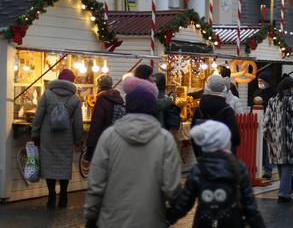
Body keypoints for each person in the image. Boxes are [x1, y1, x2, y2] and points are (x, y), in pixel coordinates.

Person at [84, 86, 182, 228]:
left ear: (127, 107)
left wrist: (91, 216)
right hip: (151, 220)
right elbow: (172, 188)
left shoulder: (109, 136)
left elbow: (96, 183)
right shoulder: (165, 139)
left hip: (112, 220)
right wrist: (170, 215)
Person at [166, 120, 266, 228]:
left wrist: (167, 219)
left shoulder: (198, 170)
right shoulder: (238, 167)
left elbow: (183, 204)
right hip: (232, 222)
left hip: (204, 222)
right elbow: (250, 206)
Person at [31, 69, 83, 208]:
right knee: (64, 165)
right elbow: (78, 123)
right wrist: (78, 140)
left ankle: (52, 195)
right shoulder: (75, 98)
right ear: (72, 81)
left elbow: (38, 116)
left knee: (49, 165)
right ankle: (64, 195)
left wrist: (35, 134)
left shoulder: (47, 94)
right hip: (66, 137)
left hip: (48, 135)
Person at [263, 77, 293, 203]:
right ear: (292, 87)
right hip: (290, 136)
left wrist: (267, 134)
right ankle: (284, 193)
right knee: (288, 164)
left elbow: (266, 120)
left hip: (275, 136)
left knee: (281, 163)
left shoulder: (272, 100)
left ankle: (286, 189)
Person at [191, 74, 241, 156]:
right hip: (225, 160)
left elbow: (194, 137)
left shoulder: (199, 110)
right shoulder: (228, 111)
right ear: (224, 90)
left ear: (207, 88)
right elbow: (236, 139)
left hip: (204, 158)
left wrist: (199, 156)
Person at [84, 75, 125, 162]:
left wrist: (90, 146)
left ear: (99, 85)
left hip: (102, 140)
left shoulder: (102, 99)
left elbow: (96, 124)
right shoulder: (118, 98)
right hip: (116, 139)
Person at [254, 71, 277, 179]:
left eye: (261, 81)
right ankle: (260, 167)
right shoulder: (257, 92)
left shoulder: (274, 93)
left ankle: (268, 169)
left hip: (270, 124)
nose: (260, 83)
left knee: (268, 147)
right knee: (260, 146)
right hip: (259, 123)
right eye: (258, 81)